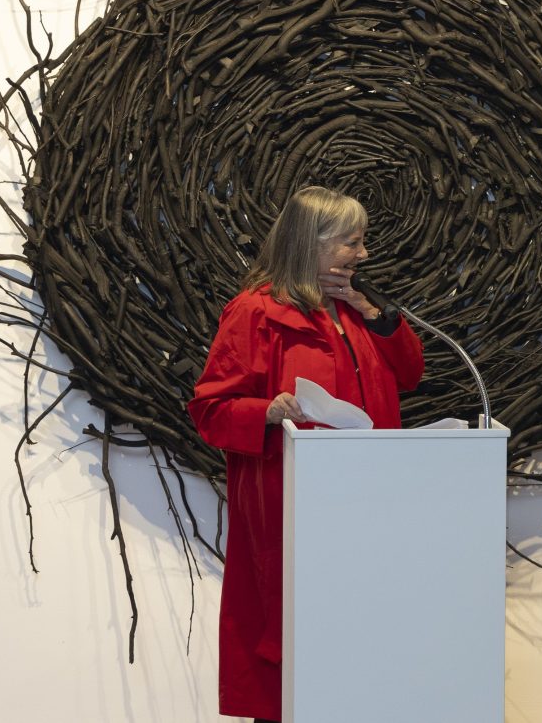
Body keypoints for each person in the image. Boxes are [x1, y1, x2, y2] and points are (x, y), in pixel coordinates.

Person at [188, 186, 425, 723]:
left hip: (373, 510)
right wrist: (266, 412)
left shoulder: (359, 310)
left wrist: (376, 313)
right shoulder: (254, 313)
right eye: (352, 243)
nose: (363, 254)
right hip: (294, 515)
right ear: (310, 244)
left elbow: (411, 374)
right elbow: (210, 411)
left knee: (367, 658)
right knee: (297, 665)